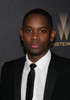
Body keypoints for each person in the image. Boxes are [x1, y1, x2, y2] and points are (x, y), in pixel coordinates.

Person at [0, 8, 70, 100]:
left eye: (42, 31)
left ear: (52, 35)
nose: (35, 36)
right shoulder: (9, 69)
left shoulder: (67, 69)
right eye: (29, 30)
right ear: (22, 34)